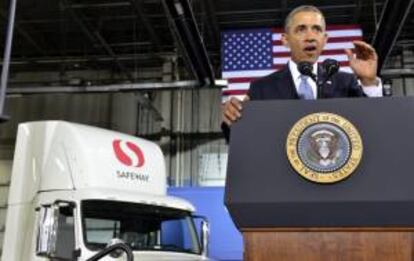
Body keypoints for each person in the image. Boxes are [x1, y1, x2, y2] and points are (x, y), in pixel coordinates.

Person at [221, 5, 382, 140]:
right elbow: (238, 139)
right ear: (285, 40)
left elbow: (373, 127)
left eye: (317, 29)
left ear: (325, 39)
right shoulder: (261, 89)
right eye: (301, 29)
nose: (310, 37)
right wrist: (231, 119)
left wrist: (369, 82)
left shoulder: (345, 82)